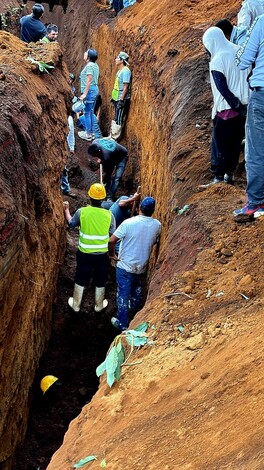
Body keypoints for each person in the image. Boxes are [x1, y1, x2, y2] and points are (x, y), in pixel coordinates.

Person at [201, 27, 249, 186]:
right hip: (244, 109)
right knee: (235, 143)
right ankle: (230, 174)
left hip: (226, 111)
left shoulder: (217, 61)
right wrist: (242, 107)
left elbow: (223, 89)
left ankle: (218, 177)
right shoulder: (239, 51)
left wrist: (235, 105)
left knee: (219, 145)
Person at [108, 196, 161, 331]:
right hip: (141, 267)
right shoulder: (157, 225)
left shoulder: (128, 223)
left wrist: (112, 255)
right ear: (153, 211)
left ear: (139, 208)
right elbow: (155, 240)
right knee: (136, 292)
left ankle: (122, 323)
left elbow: (111, 241)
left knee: (123, 295)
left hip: (125, 266)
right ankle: (135, 316)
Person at [63, 183, 116, 313]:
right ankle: (99, 306)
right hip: (102, 254)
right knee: (101, 277)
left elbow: (71, 224)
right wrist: (112, 254)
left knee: (81, 276)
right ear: (103, 199)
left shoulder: (82, 212)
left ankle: (76, 305)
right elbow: (112, 236)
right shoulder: (110, 215)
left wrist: (66, 210)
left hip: (84, 253)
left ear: (89, 197)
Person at [234, 15, 264, 219]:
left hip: (262, 94)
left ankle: (255, 203)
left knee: (256, 151)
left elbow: (242, 60)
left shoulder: (262, 21)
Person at [78, 49, 100, 142]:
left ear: (89, 57)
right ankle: (91, 133)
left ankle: (88, 134)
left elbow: (89, 80)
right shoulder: (95, 65)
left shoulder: (90, 66)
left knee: (87, 113)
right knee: (90, 112)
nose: (84, 53)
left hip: (90, 92)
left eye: (86, 52)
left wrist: (84, 94)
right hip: (93, 90)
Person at [110, 51, 131, 140]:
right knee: (116, 117)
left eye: (117, 58)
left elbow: (125, 87)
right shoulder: (120, 70)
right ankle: (112, 135)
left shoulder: (126, 71)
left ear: (122, 60)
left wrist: (122, 100)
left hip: (121, 99)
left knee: (119, 118)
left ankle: (115, 138)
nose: (116, 59)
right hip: (116, 98)